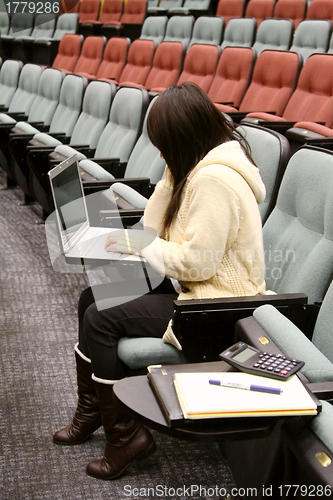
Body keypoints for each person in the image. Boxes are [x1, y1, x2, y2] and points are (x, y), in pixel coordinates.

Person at [53, 83, 267, 480]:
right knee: (90, 299)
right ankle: (92, 411)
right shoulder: (191, 170)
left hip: (214, 304)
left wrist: (140, 243)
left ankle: (125, 437)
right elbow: (152, 228)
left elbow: (197, 264)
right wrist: (124, 232)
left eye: (164, 145)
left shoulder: (214, 181)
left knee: (102, 317)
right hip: (191, 288)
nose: (161, 153)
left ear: (184, 138)